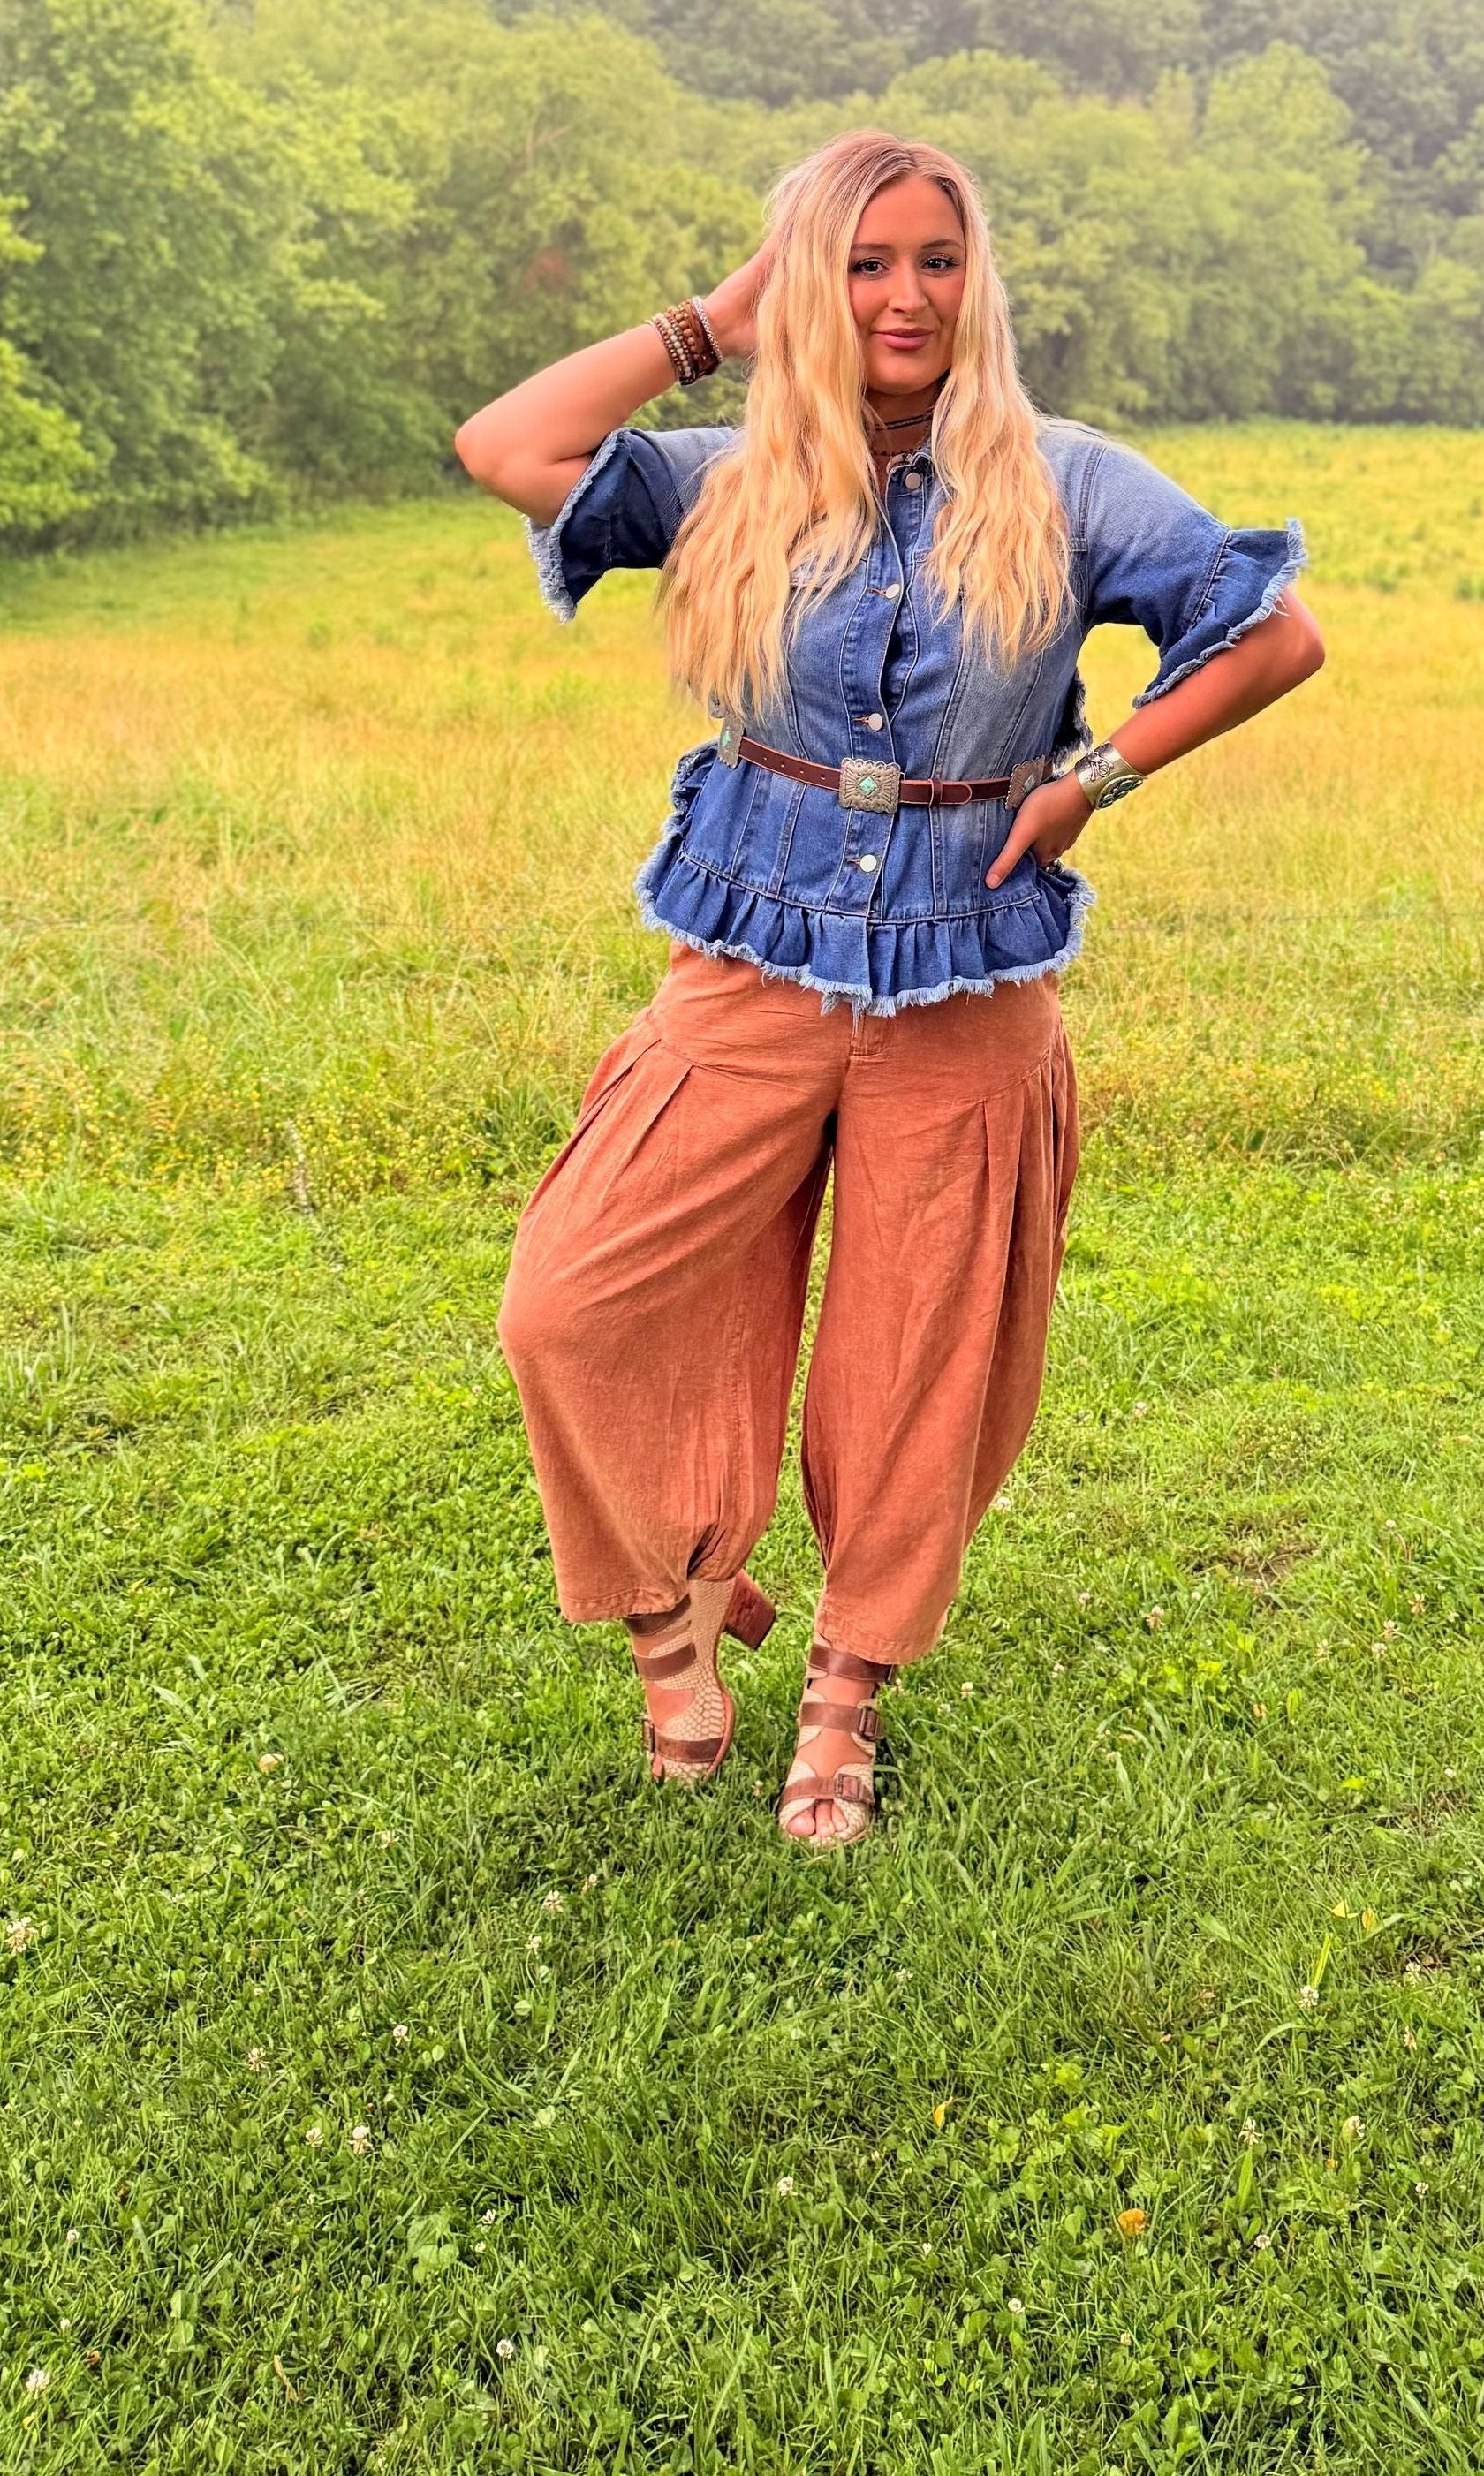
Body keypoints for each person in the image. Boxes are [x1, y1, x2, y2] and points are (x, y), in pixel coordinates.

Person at [451, 127, 1326, 1846]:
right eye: (862, 263)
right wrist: (714, 321)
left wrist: (1098, 779)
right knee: (566, 1299)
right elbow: (505, 446)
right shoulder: (731, 477)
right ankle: (672, 1621)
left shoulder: (1068, 482)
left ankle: (842, 1698)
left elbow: (1272, 635)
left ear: (976, 279)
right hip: (751, 953)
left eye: (936, 258)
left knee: (916, 1355)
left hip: (966, 976)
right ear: (808, 281)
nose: (905, 295)